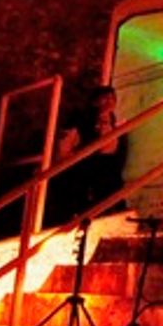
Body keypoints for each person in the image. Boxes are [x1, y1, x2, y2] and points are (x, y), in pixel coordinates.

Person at [47, 85, 128, 224]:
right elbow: (67, 146)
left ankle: (114, 212)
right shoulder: (85, 121)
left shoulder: (116, 123)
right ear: (95, 102)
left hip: (110, 166)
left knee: (113, 188)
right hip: (90, 166)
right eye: (105, 98)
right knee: (87, 192)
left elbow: (118, 148)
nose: (109, 101)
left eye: (112, 98)